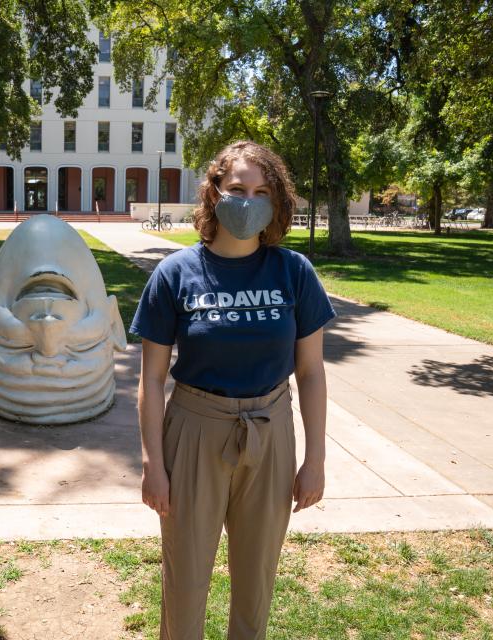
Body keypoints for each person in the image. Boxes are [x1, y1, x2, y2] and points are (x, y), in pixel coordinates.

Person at [130, 140, 336, 639]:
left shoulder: (294, 272)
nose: (249, 201)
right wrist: (153, 465)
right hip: (195, 431)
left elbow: (310, 372)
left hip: (271, 428)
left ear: (277, 201)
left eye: (262, 191)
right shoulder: (175, 274)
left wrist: (315, 459)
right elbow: (152, 379)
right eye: (238, 188)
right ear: (214, 192)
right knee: (186, 579)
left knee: (256, 578)